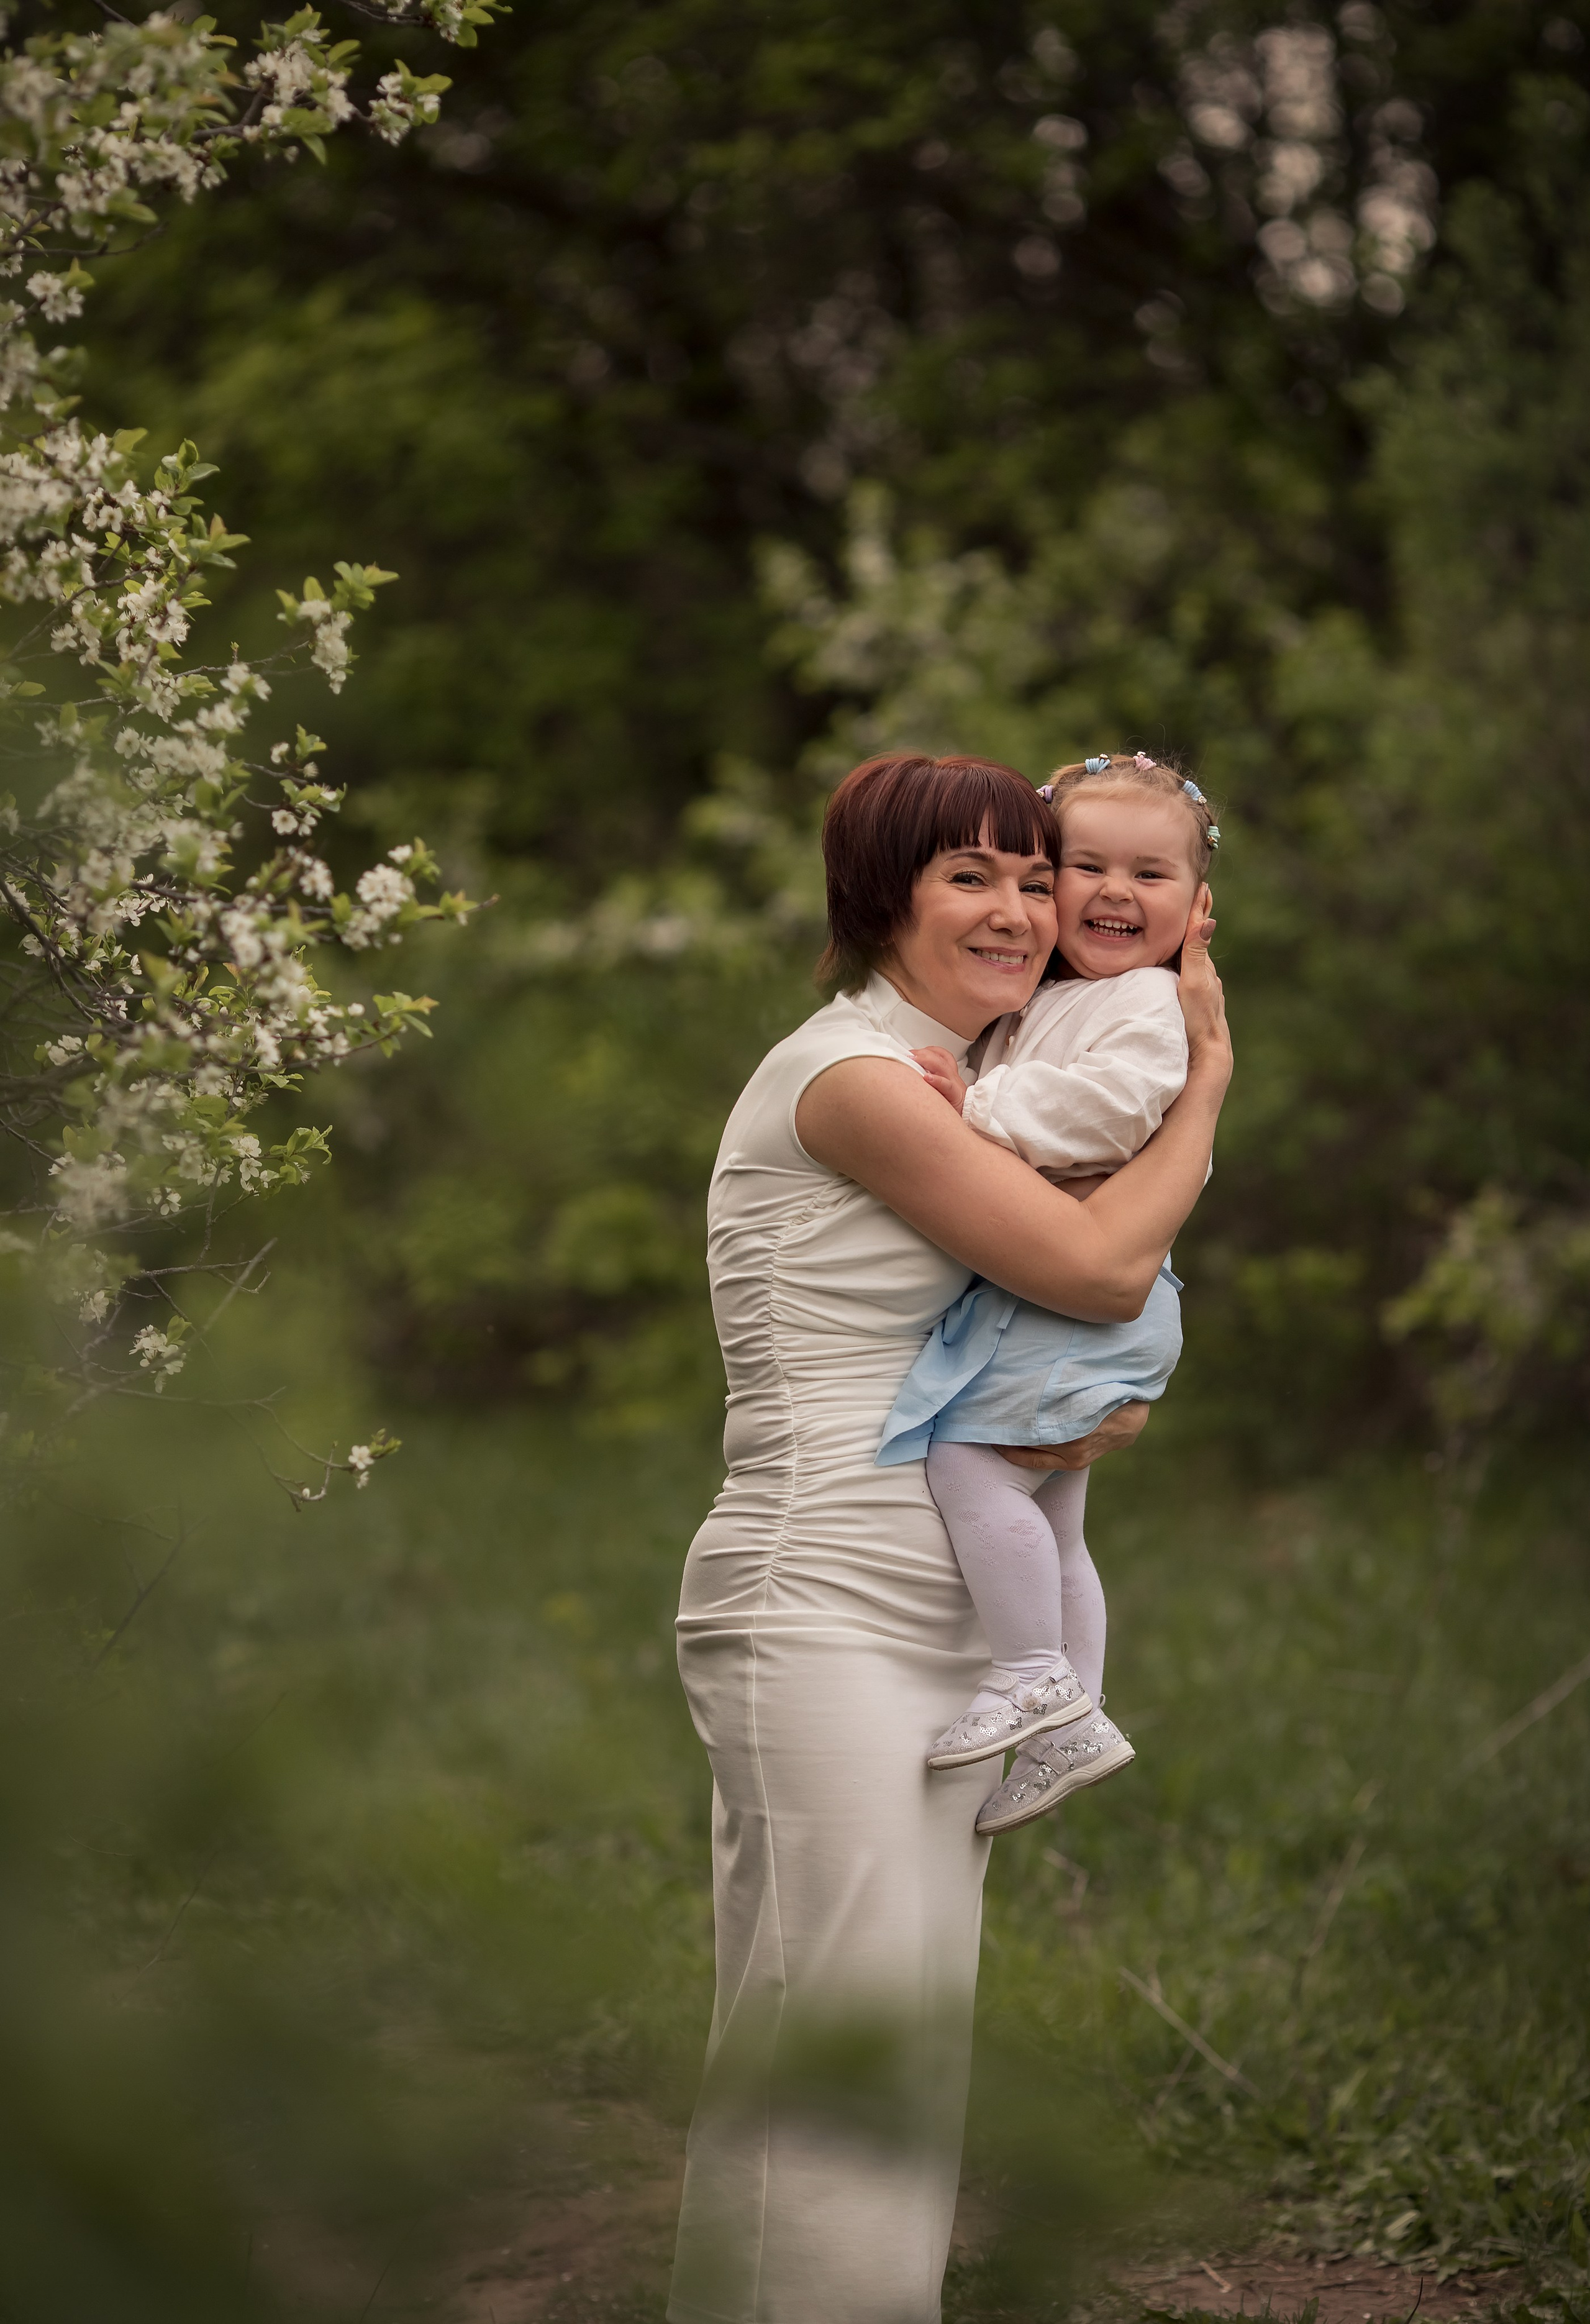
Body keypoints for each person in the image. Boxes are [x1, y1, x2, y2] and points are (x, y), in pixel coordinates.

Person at [670, 753, 1230, 2324]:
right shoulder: (855, 1078)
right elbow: (1102, 1273)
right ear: (879, 898)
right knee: (831, 2060)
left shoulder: (1006, 1078)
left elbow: (1051, 1324)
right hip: (821, 1600)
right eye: (965, 875)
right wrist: (1208, 1080)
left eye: (1029, 873)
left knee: (885, 2062)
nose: (1016, 906)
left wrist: (1088, 1417)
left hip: (954, 1624)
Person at [873, 751, 1221, 1834]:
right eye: (1087, 865)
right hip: (1081, 1291)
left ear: (1198, 907)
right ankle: (1078, 1717)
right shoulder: (1066, 995)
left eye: (1151, 875)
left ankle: (1030, 1671)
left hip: (1093, 1289)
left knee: (965, 1463)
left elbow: (1109, 1117)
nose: (1116, 892)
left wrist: (977, 1103)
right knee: (1058, 1520)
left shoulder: (1149, 1004)